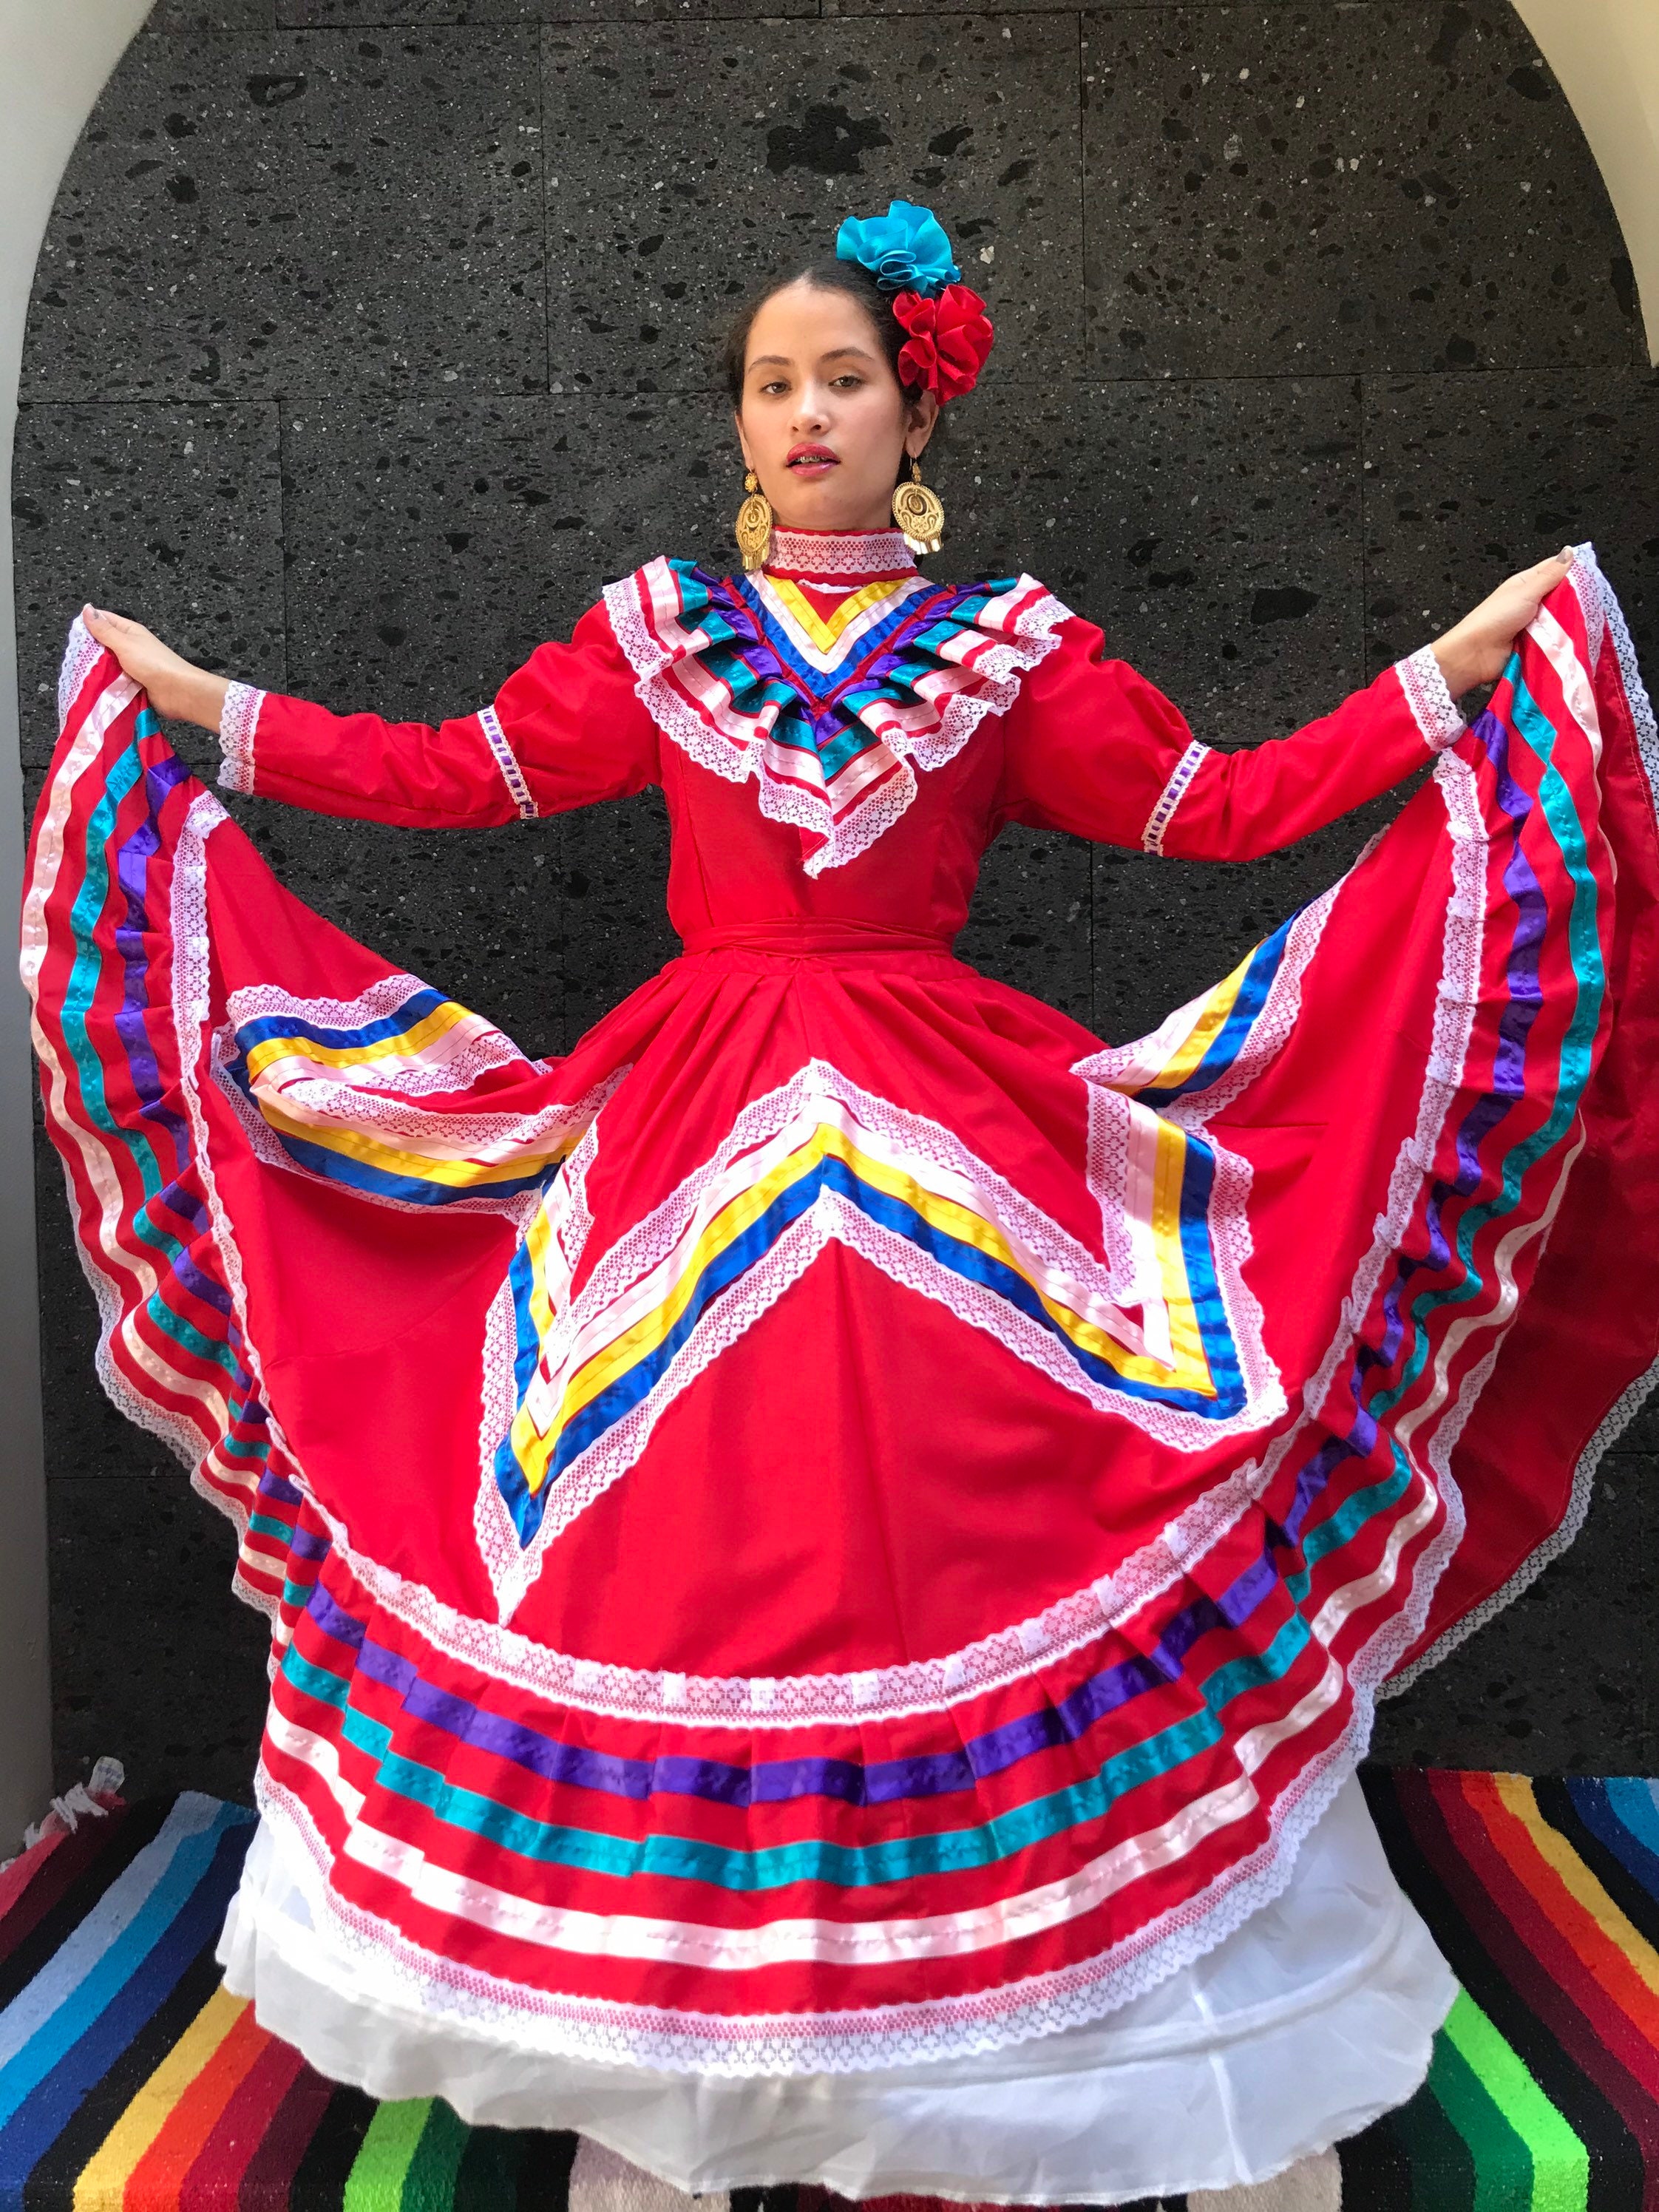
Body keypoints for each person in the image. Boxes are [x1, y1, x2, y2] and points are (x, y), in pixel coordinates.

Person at [24, 199, 1659, 2205]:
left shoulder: (1006, 646)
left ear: (914, 409)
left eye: (841, 378)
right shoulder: (658, 633)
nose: (804, 414)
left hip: (951, 1147)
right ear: (736, 424)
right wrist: (197, 708)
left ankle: (1017, 2067)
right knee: (663, 1557)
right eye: (770, 383)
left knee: (985, 1538)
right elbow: (457, 773)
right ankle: (686, 2069)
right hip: (679, 1133)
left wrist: (1453, 676)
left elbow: (1208, 807)